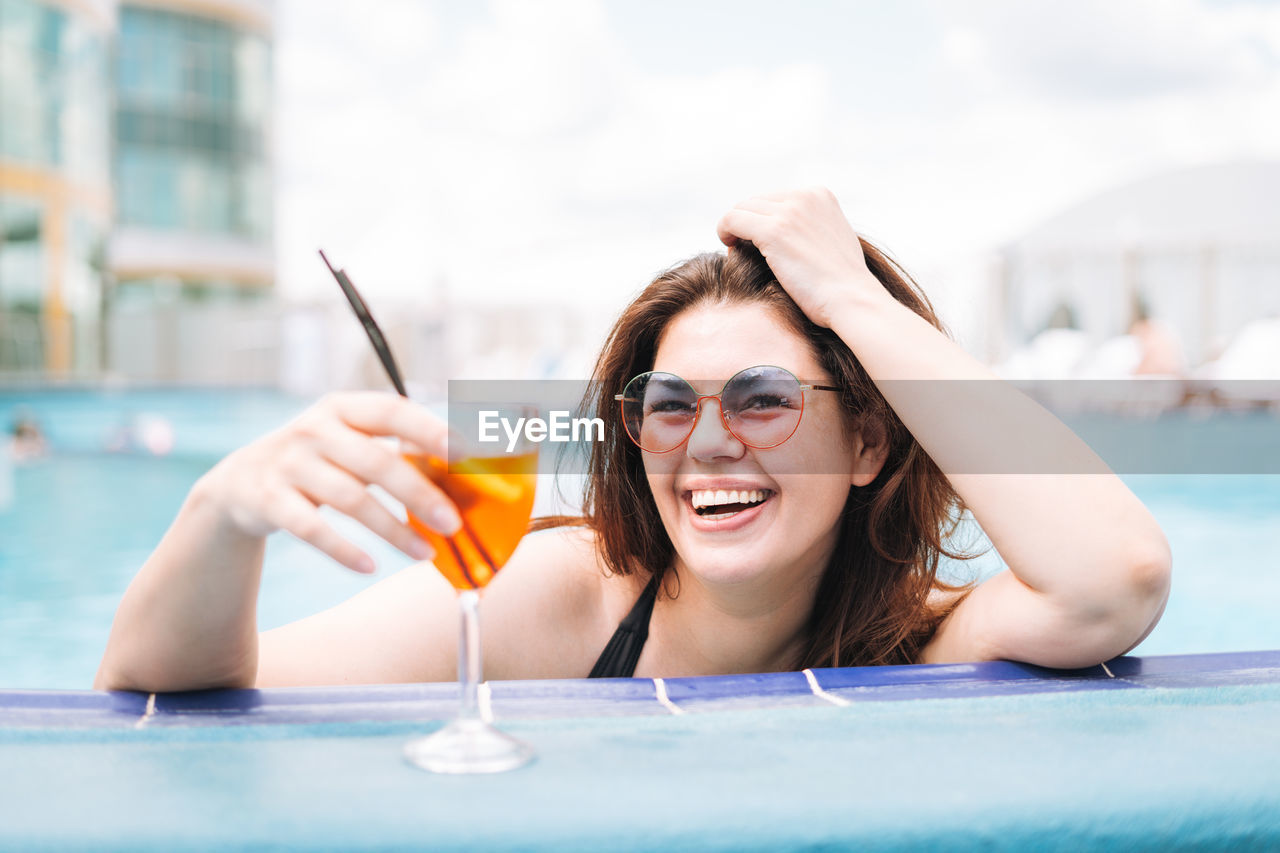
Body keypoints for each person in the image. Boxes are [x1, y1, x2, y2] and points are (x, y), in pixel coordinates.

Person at [95, 189, 1171, 692]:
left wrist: (848, 294)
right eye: (668, 404)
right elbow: (158, 679)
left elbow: (1111, 576)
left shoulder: (917, 639)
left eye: (762, 400)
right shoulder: (559, 592)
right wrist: (222, 514)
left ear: (867, 446)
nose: (706, 444)